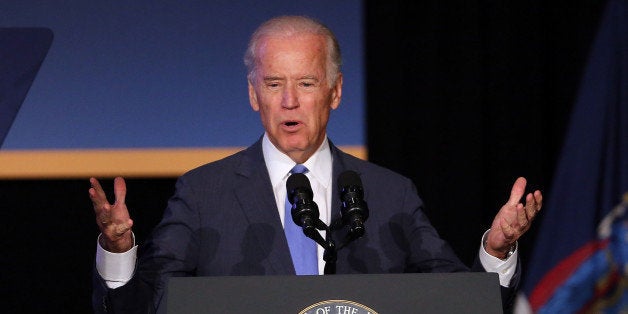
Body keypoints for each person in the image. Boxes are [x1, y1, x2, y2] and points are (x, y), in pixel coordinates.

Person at [90, 15, 542, 313]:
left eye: (306, 82)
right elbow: (144, 304)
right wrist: (118, 250)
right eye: (273, 84)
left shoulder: (389, 194)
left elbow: (460, 302)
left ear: (336, 92)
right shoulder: (203, 193)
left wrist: (496, 251)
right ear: (253, 95)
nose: (289, 101)